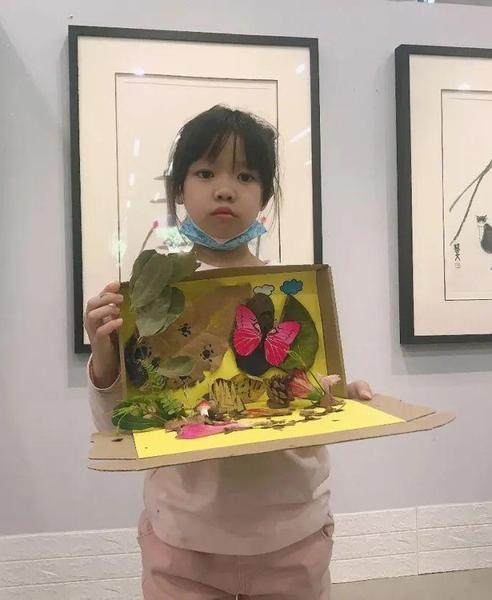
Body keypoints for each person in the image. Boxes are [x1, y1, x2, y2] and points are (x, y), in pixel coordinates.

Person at [85, 105, 373, 599]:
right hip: (182, 545)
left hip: (293, 538)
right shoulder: (149, 303)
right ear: (179, 188)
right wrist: (106, 358)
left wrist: (340, 394)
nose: (225, 189)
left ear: (265, 194)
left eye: (245, 175)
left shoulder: (289, 293)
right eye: (205, 173)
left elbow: (300, 392)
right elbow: (119, 428)